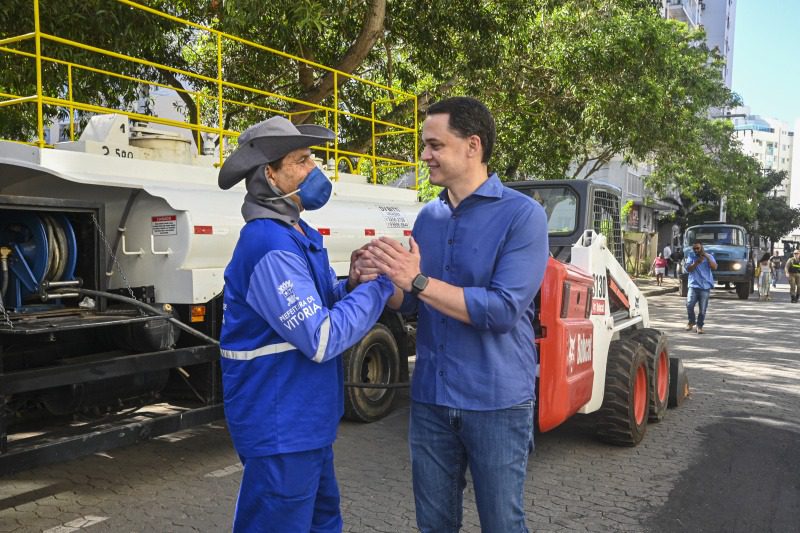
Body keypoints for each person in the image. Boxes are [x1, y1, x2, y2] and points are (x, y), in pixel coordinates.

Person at [361, 97, 548, 532]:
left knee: (502, 524)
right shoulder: (429, 217)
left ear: (472, 146)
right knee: (434, 525)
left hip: (496, 402)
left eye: (434, 145)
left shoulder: (523, 216)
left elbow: (502, 309)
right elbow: (410, 304)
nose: (424, 155)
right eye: (424, 145)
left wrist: (419, 281)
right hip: (430, 399)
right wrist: (379, 280)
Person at [216, 116, 395, 532]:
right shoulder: (269, 245)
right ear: (270, 175)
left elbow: (312, 307)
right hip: (282, 428)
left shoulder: (295, 233)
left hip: (304, 425)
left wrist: (349, 286)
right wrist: (382, 284)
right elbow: (321, 337)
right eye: (301, 160)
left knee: (322, 522)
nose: (315, 169)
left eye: (312, 157)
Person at [684, 241, 717, 334]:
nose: (696, 250)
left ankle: (699, 326)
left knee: (702, 309)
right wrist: (696, 263)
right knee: (689, 305)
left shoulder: (709, 256)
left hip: (705, 287)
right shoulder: (691, 257)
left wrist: (707, 257)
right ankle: (691, 321)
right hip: (693, 285)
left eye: (698, 248)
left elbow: (714, 267)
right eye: (694, 248)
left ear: (701, 248)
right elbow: (688, 269)